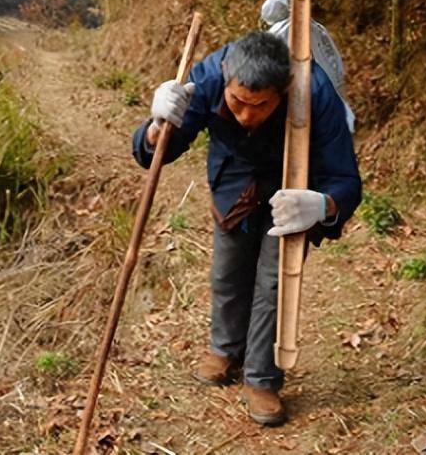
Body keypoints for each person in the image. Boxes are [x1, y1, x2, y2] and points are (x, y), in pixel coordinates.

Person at [131, 30, 362, 426]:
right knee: (227, 274)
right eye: (237, 102)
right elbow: (162, 147)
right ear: (226, 77)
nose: (246, 115)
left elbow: (346, 178)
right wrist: (156, 126)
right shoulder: (206, 79)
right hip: (233, 185)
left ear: (284, 89)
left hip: (292, 191)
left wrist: (321, 204)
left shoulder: (316, 94)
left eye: (261, 105)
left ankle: (262, 378)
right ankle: (225, 350)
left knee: (274, 286)